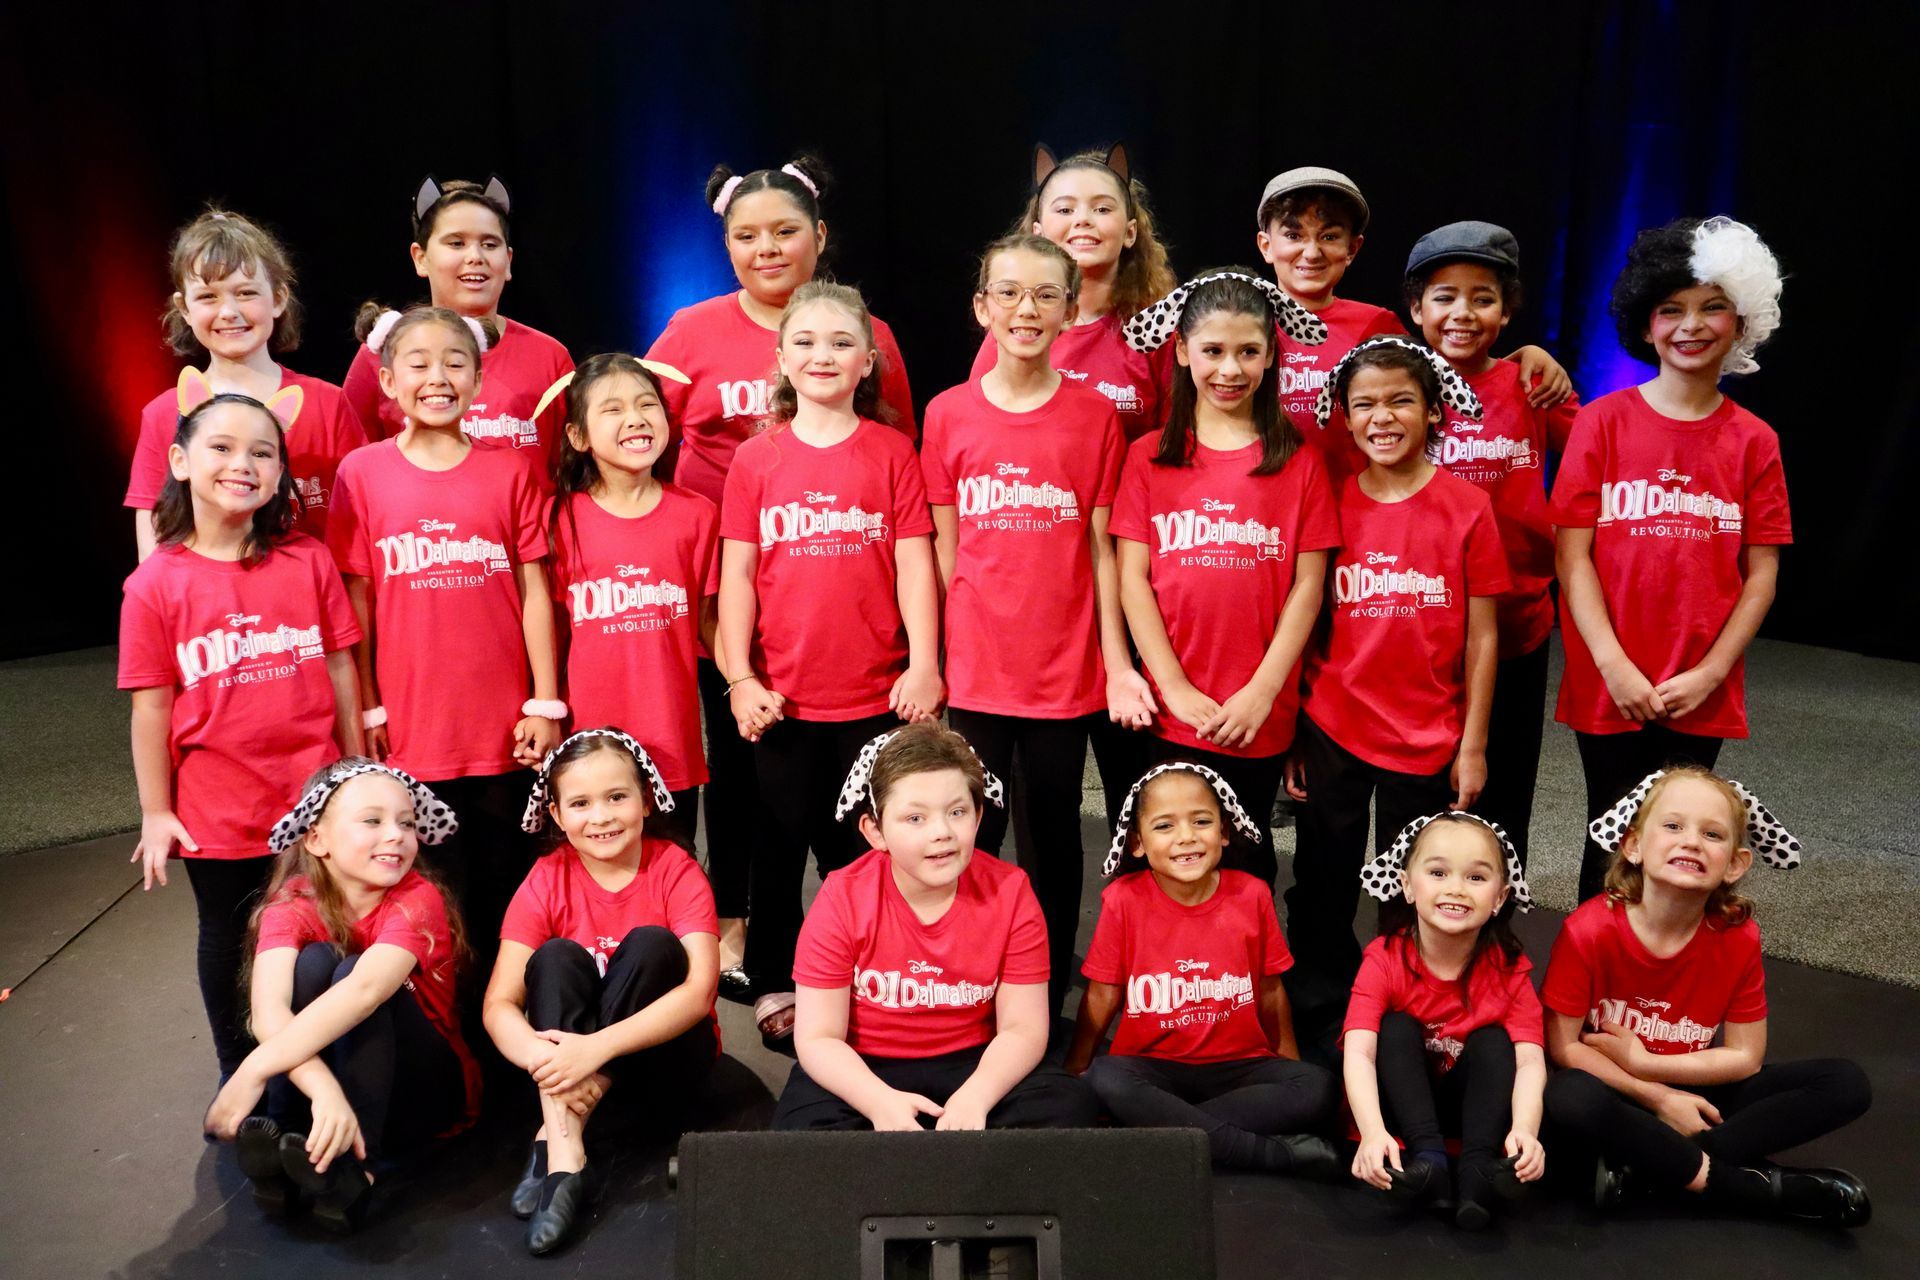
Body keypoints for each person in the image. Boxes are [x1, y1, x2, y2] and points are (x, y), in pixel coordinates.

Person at [646, 155, 916, 981]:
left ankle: (856, 938)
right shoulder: (690, 330)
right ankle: (739, 928)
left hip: (845, 603)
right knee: (743, 773)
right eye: (746, 235)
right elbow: (635, 428)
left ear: (819, 236)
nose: (766, 247)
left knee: (841, 795)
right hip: (734, 591)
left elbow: (898, 452)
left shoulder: (871, 337)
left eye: (785, 231)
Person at [922, 232, 1146, 1020]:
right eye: (1009, 292)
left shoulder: (1093, 417)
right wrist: (938, 658)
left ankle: (1043, 992)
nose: (1027, 308)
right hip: (978, 668)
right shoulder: (947, 413)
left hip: (1064, 670)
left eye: (1046, 294)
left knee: (1052, 835)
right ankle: (967, 981)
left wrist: (1116, 664)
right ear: (982, 306)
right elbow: (945, 549)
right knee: (970, 830)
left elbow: (1103, 550)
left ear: (1069, 308)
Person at [716, 282, 939, 1044]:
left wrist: (924, 665)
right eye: (805, 342)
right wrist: (740, 678)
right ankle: (775, 978)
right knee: (776, 849)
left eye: (842, 342)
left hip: (876, 699)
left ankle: (872, 976)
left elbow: (914, 566)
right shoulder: (756, 460)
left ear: (867, 361)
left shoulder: (892, 453)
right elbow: (738, 577)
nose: (823, 355)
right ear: (780, 357)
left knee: (866, 852)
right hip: (783, 699)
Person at [119, 380, 362, 1080]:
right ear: (179, 460)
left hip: (314, 796)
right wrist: (157, 810)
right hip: (219, 808)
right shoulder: (154, 585)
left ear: (281, 472)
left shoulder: (307, 560)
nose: (243, 464)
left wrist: (354, 772)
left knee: (325, 936)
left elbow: (340, 668)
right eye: (222, 447)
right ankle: (242, 1075)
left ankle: (320, 1073)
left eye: (263, 452)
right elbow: (151, 708)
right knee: (230, 936)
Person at [1552, 217, 1793, 901]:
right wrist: (1613, 665)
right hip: (1610, 679)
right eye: (1671, 309)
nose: (1691, 325)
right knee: (1611, 834)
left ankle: (1665, 964)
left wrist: (1711, 672)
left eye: (1712, 307)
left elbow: (1762, 575)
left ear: (1741, 322)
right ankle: (1593, 966)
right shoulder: (1601, 422)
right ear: (1645, 323)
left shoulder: (1755, 441)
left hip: (1700, 682)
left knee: (1680, 837)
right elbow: (1572, 557)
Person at [1283, 339, 1510, 1029]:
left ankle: (1404, 1014)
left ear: (1434, 411)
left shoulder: (1468, 507)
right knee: (1322, 877)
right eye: (1365, 405)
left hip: (1428, 732)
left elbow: (1483, 638)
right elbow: (1304, 617)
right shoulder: (1329, 501)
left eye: (1400, 401)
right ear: (1345, 418)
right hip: (1334, 723)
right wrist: (1295, 730)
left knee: (1411, 885)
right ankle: (1320, 1012)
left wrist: (1473, 745)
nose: (1382, 417)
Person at [326, 305, 560, 955]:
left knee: (507, 892)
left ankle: (507, 1014)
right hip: (412, 728)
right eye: (419, 364)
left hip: (504, 728)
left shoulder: (511, 471)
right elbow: (357, 603)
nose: (438, 377)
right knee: (433, 901)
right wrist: (368, 706)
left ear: (478, 381)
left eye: (455, 363)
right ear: (388, 381)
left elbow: (534, 593)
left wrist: (544, 702)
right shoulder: (361, 473)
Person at [1542, 767, 1871, 1226]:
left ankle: (1650, 1168)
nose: (1692, 842)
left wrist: (1648, 1065)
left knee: (1845, 1082)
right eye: (1673, 826)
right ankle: (1740, 1185)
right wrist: (1655, 1096)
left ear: (1735, 864)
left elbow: (1745, 1058)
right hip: (1616, 1093)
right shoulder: (1589, 930)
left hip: (1692, 1090)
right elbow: (1563, 1048)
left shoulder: (1738, 938)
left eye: (1712, 834)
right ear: (1634, 845)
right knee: (1569, 1097)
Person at [1111, 269, 1338, 879]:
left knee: (1245, 856)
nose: (1230, 369)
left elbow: (1308, 588)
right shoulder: (1148, 457)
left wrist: (1262, 692)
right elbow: (1133, 580)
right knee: (1167, 855)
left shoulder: (1301, 462)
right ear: (1183, 351)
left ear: (1271, 355)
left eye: (1248, 352)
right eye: (1212, 350)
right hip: (1172, 708)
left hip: (1256, 712)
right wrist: (1174, 688)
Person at [771, 723, 1096, 1130]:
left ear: (978, 815)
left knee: (1068, 1108)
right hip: (866, 1064)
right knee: (800, 1134)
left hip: (978, 1060)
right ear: (875, 831)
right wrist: (877, 1102)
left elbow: (1023, 1029)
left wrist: (977, 1097)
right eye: (915, 818)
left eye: (957, 812)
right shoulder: (842, 897)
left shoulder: (1011, 891)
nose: (942, 832)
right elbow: (818, 1037)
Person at [202, 760, 477, 1234]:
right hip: (328, 1097)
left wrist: (253, 1069)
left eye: (406, 823)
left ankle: (356, 1168)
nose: (395, 835)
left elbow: (365, 991)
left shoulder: (418, 898)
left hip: (421, 1093)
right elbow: (269, 1012)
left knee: (352, 970)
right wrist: (324, 1089)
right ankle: (286, 1140)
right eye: (372, 820)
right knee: (314, 962)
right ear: (316, 839)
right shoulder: (292, 901)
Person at [483, 730, 720, 1255]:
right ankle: (565, 1154)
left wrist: (593, 1052)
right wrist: (548, 1062)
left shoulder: (675, 870)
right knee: (554, 957)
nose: (601, 817)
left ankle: (551, 1136)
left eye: (616, 797)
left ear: (646, 800)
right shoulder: (546, 877)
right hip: (570, 1080)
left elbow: (700, 991)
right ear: (556, 813)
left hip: (661, 1068)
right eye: (581, 804)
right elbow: (499, 1004)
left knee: (653, 945)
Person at [1403, 222, 1581, 868]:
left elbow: (1595, 452)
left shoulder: (1530, 386)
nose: (1462, 313)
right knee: (1417, 799)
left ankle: (1497, 917)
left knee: (1502, 796)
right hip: (1418, 630)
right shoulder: (1394, 389)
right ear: (1416, 309)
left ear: (1506, 312)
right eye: (1444, 296)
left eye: (1483, 298)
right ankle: (1412, 922)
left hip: (1514, 628)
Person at [1066, 762, 1339, 1174]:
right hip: (1151, 1070)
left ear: (1224, 831)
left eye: (1201, 821)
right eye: (1165, 826)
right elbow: (1103, 994)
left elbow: (1270, 992)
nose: (1186, 837)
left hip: (1239, 1068)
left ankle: (1158, 1135)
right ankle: (1266, 1153)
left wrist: (1291, 1067)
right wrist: (1075, 1071)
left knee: (1317, 1086)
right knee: (1105, 1077)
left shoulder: (1252, 895)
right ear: (1137, 842)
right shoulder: (1123, 900)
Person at [1252, 167, 1570, 477]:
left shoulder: (1377, 325)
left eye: (1329, 236)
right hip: (1266, 499)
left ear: (1352, 248)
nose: (1312, 252)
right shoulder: (1243, 324)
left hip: (1361, 504)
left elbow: (1447, 369)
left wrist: (1527, 355)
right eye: (1293, 235)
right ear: (1266, 246)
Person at [543, 353, 715, 850]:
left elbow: (710, 623)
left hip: (673, 746)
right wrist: (544, 710)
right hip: (587, 751)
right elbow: (548, 630)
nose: (635, 418)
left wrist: (744, 682)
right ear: (578, 436)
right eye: (613, 409)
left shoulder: (697, 515)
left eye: (646, 404)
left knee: (672, 868)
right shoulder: (557, 520)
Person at [1343, 813, 1546, 1229]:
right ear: (1407, 885)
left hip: (1472, 1114)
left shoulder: (1509, 969)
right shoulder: (1384, 958)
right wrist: (1372, 1131)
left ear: (1500, 898)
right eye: (1438, 872)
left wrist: (1525, 1129)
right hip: (1403, 1110)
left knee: (1494, 1042)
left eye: (1476, 877)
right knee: (1395, 1029)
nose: (1456, 888)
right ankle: (1430, 1162)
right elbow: (1359, 1052)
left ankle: (1477, 1172)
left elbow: (1530, 1061)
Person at [125, 209, 365, 556]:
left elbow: (362, 523)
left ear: (278, 298)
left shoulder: (329, 404)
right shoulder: (163, 414)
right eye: (208, 297)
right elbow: (155, 540)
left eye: (246, 293)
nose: (228, 312)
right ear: (184, 308)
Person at [342, 176, 572, 461]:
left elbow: (575, 469)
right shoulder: (381, 353)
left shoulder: (550, 358)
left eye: (490, 244)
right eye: (456, 243)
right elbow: (351, 468)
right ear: (420, 258)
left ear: (508, 261)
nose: (475, 256)